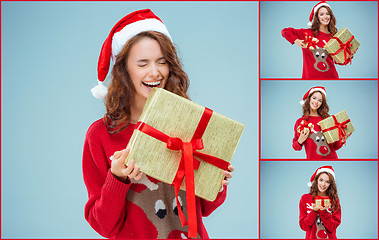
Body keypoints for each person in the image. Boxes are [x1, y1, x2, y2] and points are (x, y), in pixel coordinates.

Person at [82, 9, 234, 239]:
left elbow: (205, 209)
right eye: (142, 64)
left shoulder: (187, 124)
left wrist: (217, 181)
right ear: (124, 70)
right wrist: (117, 178)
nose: (154, 73)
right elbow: (104, 226)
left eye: (161, 62)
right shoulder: (101, 135)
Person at [281, 1, 356, 79]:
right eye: (321, 14)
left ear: (331, 16)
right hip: (308, 78)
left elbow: (338, 61)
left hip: (331, 77)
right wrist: (296, 41)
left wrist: (349, 55)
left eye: (327, 14)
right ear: (317, 17)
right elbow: (285, 31)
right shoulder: (306, 33)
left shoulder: (334, 37)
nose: (325, 17)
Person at [292, 86, 350, 159]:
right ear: (309, 99)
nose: (316, 102)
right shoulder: (301, 122)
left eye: (320, 100)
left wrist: (341, 141)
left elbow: (334, 147)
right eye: (314, 98)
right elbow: (296, 147)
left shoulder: (327, 119)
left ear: (322, 103)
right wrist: (300, 140)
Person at [299, 166, 341, 239]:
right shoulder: (305, 198)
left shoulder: (334, 200)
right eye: (321, 180)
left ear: (330, 184)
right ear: (316, 180)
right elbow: (304, 226)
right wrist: (314, 211)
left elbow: (332, 227)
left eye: (327, 182)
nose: (323, 184)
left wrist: (324, 212)